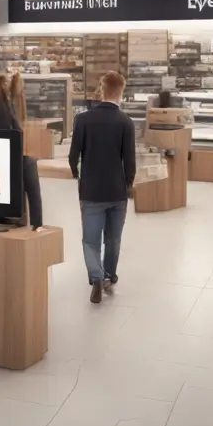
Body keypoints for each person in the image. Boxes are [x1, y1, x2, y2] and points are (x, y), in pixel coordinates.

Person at [69, 72, 136, 304]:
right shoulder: (126, 122)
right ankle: (109, 275)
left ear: (101, 88)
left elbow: (72, 156)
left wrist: (79, 176)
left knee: (90, 240)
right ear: (121, 91)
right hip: (117, 191)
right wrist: (127, 186)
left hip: (91, 190)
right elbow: (130, 162)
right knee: (113, 239)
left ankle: (96, 277)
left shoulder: (83, 120)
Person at [0, 75, 43, 228]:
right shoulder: (4, 105)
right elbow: (15, 128)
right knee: (33, 188)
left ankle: (20, 219)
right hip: (15, 152)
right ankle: (37, 223)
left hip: (1, 155)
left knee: (18, 186)